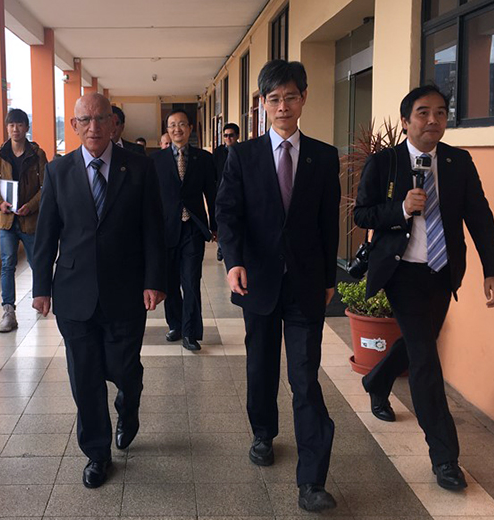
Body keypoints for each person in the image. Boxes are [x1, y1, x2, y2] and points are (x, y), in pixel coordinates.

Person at [354, 84, 494, 491]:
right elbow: (362, 211)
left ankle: (377, 380)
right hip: (401, 272)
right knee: (425, 358)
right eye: (423, 113)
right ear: (406, 121)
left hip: (441, 272)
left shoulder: (458, 161)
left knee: (418, 341)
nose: (433, 120)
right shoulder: (384, 162)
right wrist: (401, 208)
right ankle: (445, 458)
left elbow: (480, 217)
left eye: (440, 113)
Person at [216, 59, 340, 512]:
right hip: (259, 281)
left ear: (303, 98)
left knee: (305, 378)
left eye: (290, 96)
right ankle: (263, 433)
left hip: (307, 283)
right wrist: (234, 262)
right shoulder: (243, 156)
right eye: (274, 99)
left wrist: (330, 279)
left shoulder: (324, 156)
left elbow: (330, 223)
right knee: (261, 366)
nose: (283, 105)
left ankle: (312, 480)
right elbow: (227, 213)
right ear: (262, 106)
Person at [32, 93, 165, 489]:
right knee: (84, 376)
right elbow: (47, 233)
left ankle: (129, 404)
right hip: (74, 292)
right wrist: (41, 287)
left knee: (123, 368)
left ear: (113, 124)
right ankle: (97, 452)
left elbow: (153, 229)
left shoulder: (139, 167)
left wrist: (154, 280)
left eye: (100, 119)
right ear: (73, 126)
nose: (93, 127)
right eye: (84, 120)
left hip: (126, 290)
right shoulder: (59, 171)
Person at [152, 109, 216, 351]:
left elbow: (212, 193)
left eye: (181, 124)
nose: (176, 129)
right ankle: (175, 325)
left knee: (191, 282)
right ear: (167, 130)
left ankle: (190, 333)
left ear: (190, 128)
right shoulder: (155, 161)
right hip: (166, 229)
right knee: (169, 283)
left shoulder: (204, 158)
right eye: (171, 125)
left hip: (192, 228)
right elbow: (150, 199)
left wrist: (214, 226)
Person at [0, 108, 48, 334]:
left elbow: (46, 186)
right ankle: (8, 311)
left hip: (30, 219)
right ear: (7, 128)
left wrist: (31, 206)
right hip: (7, 220)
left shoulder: (37, 154)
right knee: (7, 264)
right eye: (11, 125)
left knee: (37, 262)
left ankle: (41, 298)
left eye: (19, 125)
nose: (15, 129)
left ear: (27, 127)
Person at [213, 122, 239, 261]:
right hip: (221, 191)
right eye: (225, 136)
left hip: (237, 193)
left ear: (237, 136)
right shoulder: (218, 152)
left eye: (231, 136)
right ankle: (221, 247)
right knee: (222, 220)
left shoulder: (242, 151)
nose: (228, 138)